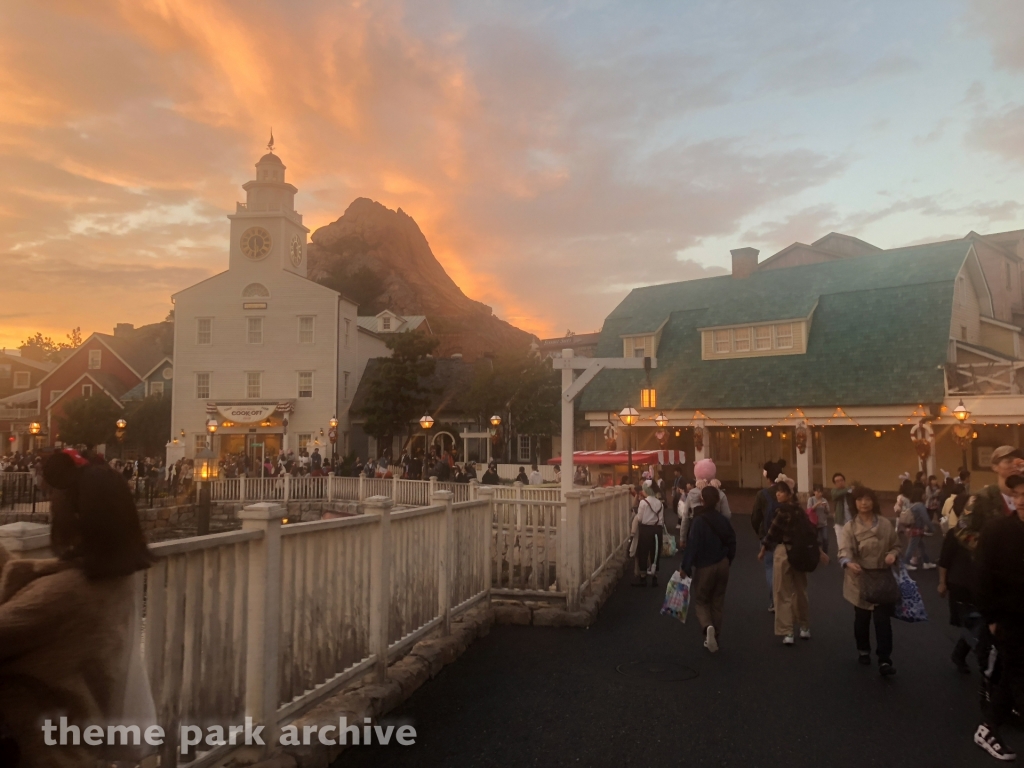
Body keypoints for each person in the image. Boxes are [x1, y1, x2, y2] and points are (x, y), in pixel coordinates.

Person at [0, 450, 155, 767]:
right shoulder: (113, 579)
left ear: (79, 515)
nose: (51, 504)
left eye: (53, 496)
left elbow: (21, 619)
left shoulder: (67, 595)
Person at [973, 473, 1024, 761]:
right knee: (1019, 675)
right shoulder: (997, 531)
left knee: (1008, 678)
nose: (1021, 500)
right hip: (1008, 618)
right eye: (1017, 494)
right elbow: (982, 576)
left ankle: (988, 728)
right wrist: (990, 615)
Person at [838, 486, 901, 676]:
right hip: (860, 577)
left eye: (867, 499)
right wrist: (848, 563)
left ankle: (884, 660)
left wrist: (892, 554)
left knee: (883, 620)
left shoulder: (885, 524)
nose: (863, 503)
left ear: (873, 501)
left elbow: (896, 545)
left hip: (882, 577)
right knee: (862, 617)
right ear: (854, 503)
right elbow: (844, 550)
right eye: (859, 500)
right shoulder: (850, 527)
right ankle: (863, 649)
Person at [758, 480, 828, 645]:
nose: (778, 494)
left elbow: (772, 533)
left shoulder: (781, 511)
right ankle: (804, 626)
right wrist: (819, 551)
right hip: (801, 552)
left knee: (782, 591)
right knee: (800, 590)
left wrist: (763, 549)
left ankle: (787, 630)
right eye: (778, 492)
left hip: (784, 551)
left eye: (781, 492)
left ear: (789, 494)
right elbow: (810, 532)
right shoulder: (800, 511)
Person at [679, 486, 736, 653]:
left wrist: (685, 567)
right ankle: (715, 637)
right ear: (718, 500)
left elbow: (693, 545)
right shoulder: (723, 520)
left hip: (705, 565)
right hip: (723, 563)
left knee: (702, 601)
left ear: (701, 499)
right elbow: (732, 541)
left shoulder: (699, 521)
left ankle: (707, 627)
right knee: (717, 601)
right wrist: (728, 559)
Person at [939, 492, 985, 674]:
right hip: (960, 583)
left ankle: (961, 654)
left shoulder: (990, 533)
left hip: (982, 585)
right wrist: (942, 582)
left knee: (979, 624)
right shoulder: (955, 534)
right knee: (974, 624)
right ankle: (984, 665)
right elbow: (944, 560)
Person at [751, 460, 786, 612]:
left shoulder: (762, 494)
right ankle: (786, 601)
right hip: (787, 537)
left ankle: (774, 601)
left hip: (768, 536)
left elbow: (755, 517)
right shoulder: (788, 491)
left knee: (770, 568)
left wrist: (759, 531)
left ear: (768, 477)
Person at [631, 482, 665, 587]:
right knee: (655, 553)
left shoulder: (643, 502)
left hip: (646, 530)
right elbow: (661, 519)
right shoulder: (660, 503)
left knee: (643, 553)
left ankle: (643, 578)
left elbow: (640, 518)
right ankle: (655, 578)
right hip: (657, 529)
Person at [902, 484, 936, 571]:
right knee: (912, 546)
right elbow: (926, 518)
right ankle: (905, 563)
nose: (925, 495)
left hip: (913, 528)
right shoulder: (920, 506)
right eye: (924, 494)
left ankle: (926, 561)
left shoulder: (912, 504)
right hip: (916, 528)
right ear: (920, 495)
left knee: (921, 546)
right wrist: (932, 528)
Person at [807, 484, 830, 555]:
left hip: (823, 523)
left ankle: (825, 553)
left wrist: (825, 507)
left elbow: (827, 512)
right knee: (815, 540)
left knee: (825, 539)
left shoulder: (824, 500)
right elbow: (809, 510)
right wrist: (817, 504)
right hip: (814, 523)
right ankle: (816, 554)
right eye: (817, 491)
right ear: (814, 492)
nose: (819, 493)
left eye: (820, 492)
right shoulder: (811, 499)